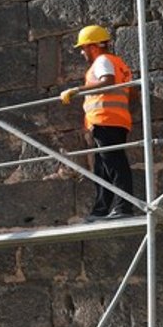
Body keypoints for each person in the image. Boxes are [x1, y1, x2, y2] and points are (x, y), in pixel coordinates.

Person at [59, 25, 136, 221]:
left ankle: (123, 207)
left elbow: (108, 82)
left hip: (106, 118)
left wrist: (77, 90)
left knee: (114, 163)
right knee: (103, 167)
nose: (83, 52)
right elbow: (130, 92)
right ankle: (101, 209)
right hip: (113, 119)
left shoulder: (102, 61)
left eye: (83, 48)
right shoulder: (118, 63)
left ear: (93, 46)